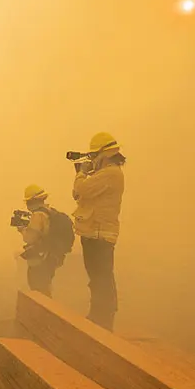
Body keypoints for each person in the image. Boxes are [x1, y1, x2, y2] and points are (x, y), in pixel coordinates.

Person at [72, 132, 126, 331]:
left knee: (101, 277)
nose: (93, 160)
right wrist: (83, 175)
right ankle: (98, 315)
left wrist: (81, 172)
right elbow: (77, 192)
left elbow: (82, 189)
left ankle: (103, 318)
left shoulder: (110, 173)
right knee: (96, 277)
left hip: (100, 233)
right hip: (93, 231)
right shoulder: (103, 174)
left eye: (94, 156)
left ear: (105, 154)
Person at [18, 185, 60, 296]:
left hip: (39, 259)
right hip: (49, 256)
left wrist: (22, 230)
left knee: (38, 291)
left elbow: (30, 238)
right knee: (45, 288)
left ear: (33, 200)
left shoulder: (37, 215)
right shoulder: (50, 212)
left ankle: (43, 313)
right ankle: (48, 311)